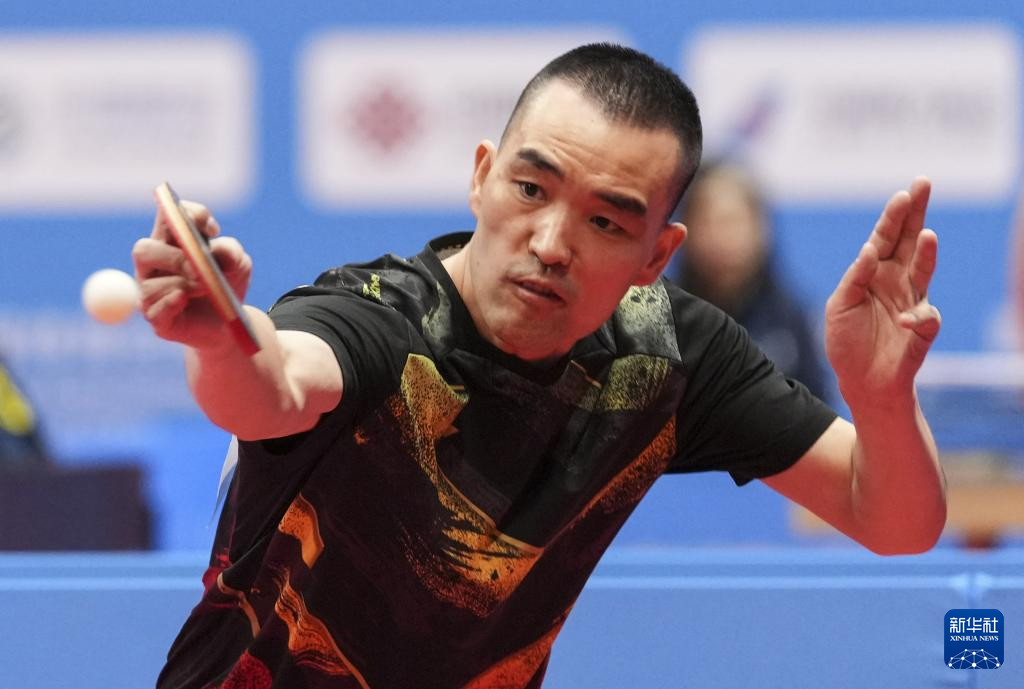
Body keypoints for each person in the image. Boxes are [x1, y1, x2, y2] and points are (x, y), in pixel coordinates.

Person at [134, 43, 946, 689]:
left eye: (605, 222)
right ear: (482, 176)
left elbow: (895, 521)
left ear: (656, 255)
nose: (553, 243)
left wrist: (880, 399)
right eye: (530, 188)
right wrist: (218, 337)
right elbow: (269, 388)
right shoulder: (380, 318)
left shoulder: (668, 357)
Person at [673, 159, 830, 400]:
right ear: (685, 231)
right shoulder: (663, 320)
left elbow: (820, 408)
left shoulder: (791, 319)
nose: (722, 238)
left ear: (761, 229)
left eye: (732, 222)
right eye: (709, 222)